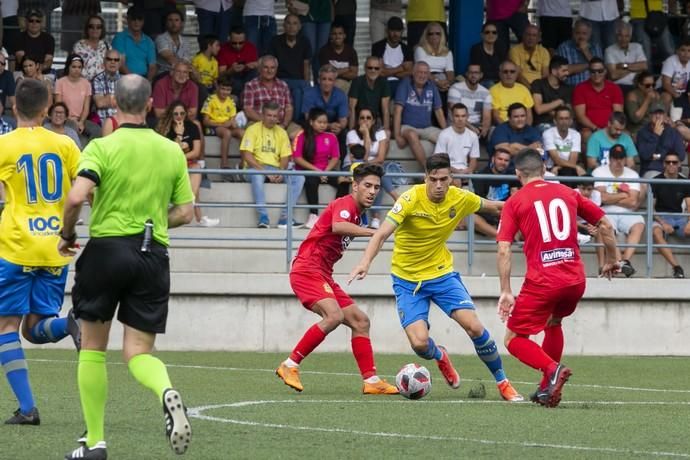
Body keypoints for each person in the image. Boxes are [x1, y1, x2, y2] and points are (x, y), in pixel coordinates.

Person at [58, 74, 194, 459]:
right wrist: (155, 221)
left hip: (107, 251)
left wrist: (67, 235)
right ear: (150, 104)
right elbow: (186, 211)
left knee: (93, 350)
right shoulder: (171, 150)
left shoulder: (101, 146)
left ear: (113, 105)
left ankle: (95, 443)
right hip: (153, 255)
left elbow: (75, 198)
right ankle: (165, 388)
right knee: (138, 353)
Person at [349, 153, 524, 403]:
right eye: (434, 179)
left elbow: (496, 207)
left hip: (442, 275)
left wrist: (532, 202)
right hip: (408, 280)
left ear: (451, 178)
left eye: (444, 179)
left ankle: (503, 382)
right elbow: (381, 234)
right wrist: (365, 262)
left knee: (474, 326)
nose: (439, 185)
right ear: (425, 178)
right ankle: (440, 356)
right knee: (420, 344)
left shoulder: (459, 197)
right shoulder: (410, 199)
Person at [496, 148, 620, 408]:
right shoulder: (568, 192)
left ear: (518, 173)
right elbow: (606, 226)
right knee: (553, 322)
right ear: (544, 170)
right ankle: (546, 389)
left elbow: (504, 248)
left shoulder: (515, 202)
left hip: (543, 281)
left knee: (514, 339)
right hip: (575, 279)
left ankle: (552, 369)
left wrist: (506, 290)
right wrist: (611, 259)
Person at [276, 163, 398, 394]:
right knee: (334, 315)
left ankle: (371, 381)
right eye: (367, 185)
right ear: (355, 186)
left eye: (376, 187)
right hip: (307, 269)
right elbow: (338, 225)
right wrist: (377, 232)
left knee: (361, 321)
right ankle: (290, 365)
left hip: (323, 274)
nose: (372, 191)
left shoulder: (358, 215)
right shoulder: (346, 204)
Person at [0, 79, 81, 426]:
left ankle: (28, 408)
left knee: (6, 326)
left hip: (16, 247)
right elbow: (87, 191)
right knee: (35, 329)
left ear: (14, 107)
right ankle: (71, 324)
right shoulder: (65, 144)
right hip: (55, 248)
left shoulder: (4, 145)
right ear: (48, 109)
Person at [240, 101, 305, 229]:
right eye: (269, 115)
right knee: (257, 176)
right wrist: (266, 172)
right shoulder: (252, 129)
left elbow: (285, 157)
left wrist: (281, 172)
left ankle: (285, 218)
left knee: (299, 177)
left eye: (275, 116)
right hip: (255, 167)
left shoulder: (281, 132)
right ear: (263, 115)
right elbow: (247, 156)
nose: (272, 118)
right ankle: (263, 218)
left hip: (275, 168)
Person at [157, 100, 219, 227]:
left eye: (182, 113)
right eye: (176, 114)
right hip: (169, 163)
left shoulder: (192, 127)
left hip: (187, 162)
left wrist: (181, 157)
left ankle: (190, 201)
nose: (179, 116)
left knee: (196, 168)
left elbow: (196, 152)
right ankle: (199, 217)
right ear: (171, 114)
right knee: (193, 176)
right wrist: (179, 134)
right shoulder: (165, 129)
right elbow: (168, 152)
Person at [592, 144, 645, 276]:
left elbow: (633, 201)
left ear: (625, 159)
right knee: (605, 226)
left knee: (639, 223)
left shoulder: (632, 174)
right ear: (609, 159)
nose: (618, 161)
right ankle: (621, 263)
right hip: (606, 211)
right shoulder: (599, 172)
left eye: (621, 158)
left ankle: (625, 261)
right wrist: (623, 195)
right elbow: (602, 198)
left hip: (627, 212)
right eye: (615, 158)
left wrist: (612, 197)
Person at [346, 107, 401, 229]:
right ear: (358, 120)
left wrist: (371, 164)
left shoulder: (380, 133)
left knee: (377, 175)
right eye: (362, 118)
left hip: (375, 165)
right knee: (376, 174)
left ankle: (376, 218)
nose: (365, 120)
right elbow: (362, 157)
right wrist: (366, 134)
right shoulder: (352, 134)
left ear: (374, 120)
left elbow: (381, 158)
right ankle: (395, 199)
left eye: (368, 118)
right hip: (355, 165)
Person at [293, 108, 348, 229]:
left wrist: (326, 172)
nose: (323, 125)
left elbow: (335, 157)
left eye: (325, 122)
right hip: (309, 170)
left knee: (344, 181)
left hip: (326, 170)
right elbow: (297, 158)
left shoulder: (331, 137)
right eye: (320, 122)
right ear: (311, 122)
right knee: (311, 181)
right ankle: (313, 215)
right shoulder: (302, 135)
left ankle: (336, 216)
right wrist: (317, 171)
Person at [393, 61, 446, 168]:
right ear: (413, 72)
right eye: (419, 72)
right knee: (412, 135)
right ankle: (427, 169)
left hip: (427, 128)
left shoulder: (432, 86)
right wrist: (397, 135)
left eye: (425, 73)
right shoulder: (405, 84)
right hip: (408, 126)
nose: (422, 76)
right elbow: (397, 111)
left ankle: (444, 169)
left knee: (446, 137)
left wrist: (447, 131)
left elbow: (438, 111)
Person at [650, 152, 690, 278]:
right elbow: (651, 208)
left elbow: (689, 206)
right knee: (656, 232)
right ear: (664, 164)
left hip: (680, 218)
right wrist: (663, 223)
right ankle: (676, 267)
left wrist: (689, 222)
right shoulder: (656, 181)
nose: (671, 165)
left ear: (679, 165)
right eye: (668, 162)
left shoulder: (685, 182)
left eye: (674, 162)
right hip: (661, 216)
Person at [267, 14, 312, 121]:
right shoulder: (275, 41)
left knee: (300, 91)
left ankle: (297, 122)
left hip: (298, 80)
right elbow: (271, 63)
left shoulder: (305, 41)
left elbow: (306, 65)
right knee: (299, 88)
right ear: (284, 25)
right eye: (289, 23)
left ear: (300, 26)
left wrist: (306, 82)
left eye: (295, 23)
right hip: (280, 80)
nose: (291, 26)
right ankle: (295, 122)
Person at [573, 57, 624, 148]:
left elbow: (618, 114)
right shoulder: (580, 88)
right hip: (590, 128)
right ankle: (591, 162)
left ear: (605, 71)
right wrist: (596, 129)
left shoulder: (614, 88)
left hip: (611, 127)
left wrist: (610, 129)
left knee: (626, 136)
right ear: (589, 72)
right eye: (593, 71)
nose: (596, 74)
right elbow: (580, 116)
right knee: (586, 135)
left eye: (600, 71)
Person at [471, 148, 520, 237]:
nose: (503, 162)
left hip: (506, 213)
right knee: (473, 218)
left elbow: (515, 196)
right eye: (500, 159)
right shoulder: (482, 176)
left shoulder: (512, 176)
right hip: (487, 212)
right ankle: (501, 236)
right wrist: (495, 211)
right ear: (493, 159)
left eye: (506, 160)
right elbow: (480, 201)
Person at [201, 73, 244, 171]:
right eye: (223, 89)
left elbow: (232, 119)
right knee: (227, 133)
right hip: (213, 127)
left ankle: (243, 163)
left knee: (242, 133)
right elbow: (205, 121)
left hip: (227, 126)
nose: (225, 92)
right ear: (217, 87)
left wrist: (233, 123)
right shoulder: (210, 99)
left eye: (228, 90)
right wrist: (222, 124)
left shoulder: (231, 101)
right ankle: (224, 163)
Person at [434, 103, 480, 182]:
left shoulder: (473, 136)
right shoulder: (444, 134)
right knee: (457, 180)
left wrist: (468, 171)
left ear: (467, 117)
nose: (460, 119)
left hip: (466, 172)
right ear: (452, 117)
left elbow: (474, 160)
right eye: (457, 116)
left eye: (463, 116)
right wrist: (457, 172)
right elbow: (440, 160)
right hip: (448, 172)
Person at [370, 16, 413, 97]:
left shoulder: (407, 49)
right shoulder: (378, 47)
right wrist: (400, 68)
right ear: (387, 30)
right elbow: (379, 72)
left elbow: (409, 73)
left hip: (402, 84)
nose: (395, 34)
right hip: (383, 83)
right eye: (392, 30)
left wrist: (387, 71)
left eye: (398, 31)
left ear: (402, 31)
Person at [637, 108, 686, 177]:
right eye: (655, 113)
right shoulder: (642, 132)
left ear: (665, 116)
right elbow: (645, 155)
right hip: (651, 171)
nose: (658, 116)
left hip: (672, 170)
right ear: (650, 116)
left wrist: (658, 156)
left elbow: (681, 155)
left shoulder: (673, 132)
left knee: (684, 182)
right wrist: (655, 135)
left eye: (660, 113)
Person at [111, 6, 157, 81]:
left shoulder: (148, 41)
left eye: (139, 19)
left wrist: (148, 82)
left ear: (143, 21)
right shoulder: (119, 38)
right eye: (133, 19)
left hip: (144, 79)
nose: (136, 22)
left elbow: (152, 66)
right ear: (127, 19)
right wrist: (135, 81)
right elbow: (120, 64)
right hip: (124, 78)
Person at [414, 22, 454, 106]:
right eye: (431, 34)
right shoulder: (420, 49)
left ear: (441, 35)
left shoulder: (447, 52)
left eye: (437, 33)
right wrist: (437, 81)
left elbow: (450, 72)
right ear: (426, 36)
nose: (434, 36)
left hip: (443, 78)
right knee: (434, 90)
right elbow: (421, 70)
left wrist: (447, 83)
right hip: (425, 77)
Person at [347, 56, 391, 131]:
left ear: (380, 70)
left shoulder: (384, 82)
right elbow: (352, 108)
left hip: (375, 120)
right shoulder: (357, 82)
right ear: (365, 68)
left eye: (376, 68)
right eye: (370, 67)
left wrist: (386, 130)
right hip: (360, 120)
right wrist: (351, 131)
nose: (373, 70)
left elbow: (385, 109)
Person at [556, 19, 604, 86]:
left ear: (590, 34)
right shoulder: (564, 47)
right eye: (577, 33)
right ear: (573, 32)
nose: (581, 36)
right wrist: (589, 65)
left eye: (584, 33)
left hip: (591, 88)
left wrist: (586, 52)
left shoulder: (595, 47)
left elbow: (600, 69)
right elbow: (563, 71)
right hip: (570, 88)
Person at [604, 20, 648, 92]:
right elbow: (613, 75)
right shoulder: (609, 50)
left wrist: (624, 66)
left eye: (627, 36)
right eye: (620, 35)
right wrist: (635, 68)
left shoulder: (637, 47)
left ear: (630, 37)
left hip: (637, 85)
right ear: (616, 36)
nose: (623, 39)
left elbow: (644, 66)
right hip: (619, 86)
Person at [530, 55, 572, 130]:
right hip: (543, 125)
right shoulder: (538, 84)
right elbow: (539, 109)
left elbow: (568, 113)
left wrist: (549, 109)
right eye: (564, 71)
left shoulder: (567, 88)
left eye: (567, 70)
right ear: (554, 71)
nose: (567, 73)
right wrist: (559, 102)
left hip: (562, 125)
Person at [542, 105, 584, 176]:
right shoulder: (548, 133)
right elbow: (556, 159)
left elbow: (573, 160)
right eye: (561, 119)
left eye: (566, 118)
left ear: (571, 121)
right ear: (555, 121)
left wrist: (559, 167)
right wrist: (576, 166)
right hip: (551, 168)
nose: (564, 122)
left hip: (568, 168)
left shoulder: (576, 134)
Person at [317, 22, 359, 93]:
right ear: (330, 36)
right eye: (334, 34)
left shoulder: (351, 51)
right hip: (331, 83)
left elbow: (354, 74)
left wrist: (336, 72)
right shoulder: (324, 51)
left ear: (344, 36)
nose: (337, 36)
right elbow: (327, 74)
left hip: (348, 83)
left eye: (340, 34)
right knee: (336, 84)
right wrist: (347, 69)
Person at [489, 60, 534, 125]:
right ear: (500, 74)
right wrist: (508, 130)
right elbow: (496, 116)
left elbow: (529, 115)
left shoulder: (523, 89)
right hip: (503, 127)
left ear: (516, 74)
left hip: (522, 127)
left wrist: (525, 130)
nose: (509, 74)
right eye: (505, 72)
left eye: (512, 72)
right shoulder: (493, 90)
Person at [625, 70, 668, 135]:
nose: (651, 88)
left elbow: (663, 113)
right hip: (639, 130)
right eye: (648, 85)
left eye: (653, 85)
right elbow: (635, 119)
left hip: (655, 127)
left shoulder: (656, 94)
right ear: (640, 85)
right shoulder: (633, 95)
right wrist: (647, 100)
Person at [14, 8, 54, 75]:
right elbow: (20, 59)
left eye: (38, 21)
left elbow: (48, 61)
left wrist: (37, 71)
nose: (34, 23)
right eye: (31, 20)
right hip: (23, 72)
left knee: (47, 84)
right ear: (26, 22)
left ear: (41, 23)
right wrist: (32, 71)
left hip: (43, 73)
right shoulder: (19, 38)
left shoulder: (49, 39)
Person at [155, 9, 195, 77]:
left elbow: (186, 61)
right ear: (166, 23)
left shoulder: (186, 41)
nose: (173, 23)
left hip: (182, 74)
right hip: (164, 74)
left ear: (181, 23)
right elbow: (170, 58)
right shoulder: (160, 38)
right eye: (170, 20)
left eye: (176, 20)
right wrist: (190, 68)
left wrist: (193, 70)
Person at [72, 15, 109, 82]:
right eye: (91, 26)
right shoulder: (79, 46)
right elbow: (73, 67)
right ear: (87, 28)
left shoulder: (107, 46)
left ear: (102, 29)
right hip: (82, 85)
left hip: (102, 85)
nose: (95, 29)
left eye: (98, 27)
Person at [470, 22, 506, 87]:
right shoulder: (476, 49)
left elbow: (503, 68)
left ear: (497, 35)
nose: (491, 34)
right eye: (487, 32)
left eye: (494, 32)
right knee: (490, 84)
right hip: (483, 81)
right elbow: (478, 71)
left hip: (499, 81)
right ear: (482, 35)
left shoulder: (501, 48)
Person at [92, 50, 122, 127]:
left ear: (119, 63)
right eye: (109, 59)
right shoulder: (97, 79)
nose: (113, 62)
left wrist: (108, 98)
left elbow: (129, 104)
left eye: (116, 60)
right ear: (104, 61)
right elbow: (100, 103)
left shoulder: (125, 80)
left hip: (122, 124)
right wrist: (120, 99)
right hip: (103, 124)